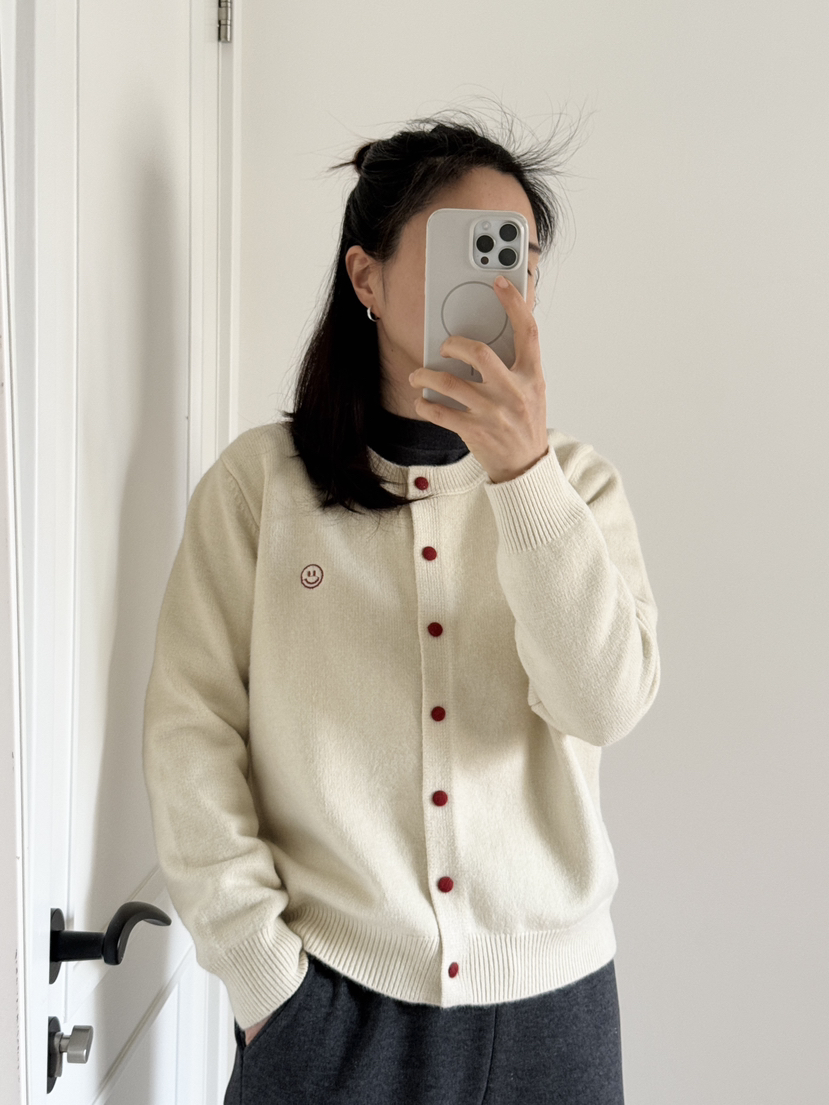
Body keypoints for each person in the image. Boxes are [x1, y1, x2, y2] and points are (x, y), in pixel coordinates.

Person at [142, 108, 661, 1105]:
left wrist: (523, 477)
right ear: (366, 278)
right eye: (470, 250)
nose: (498, 288)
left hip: (552, 1019)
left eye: (517, 262)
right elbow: (189, 734)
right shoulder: (261, 487)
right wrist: (264, 980)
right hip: (329, 1011)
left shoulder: (578, 490)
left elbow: (600, 706)